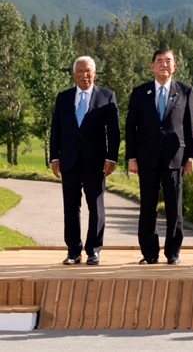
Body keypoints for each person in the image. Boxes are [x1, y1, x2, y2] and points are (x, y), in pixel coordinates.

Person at [126, 49, 193, 265]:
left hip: (175, 158)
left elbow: (191, 126)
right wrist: (131, 157)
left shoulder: (185, 91)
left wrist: (191, 157)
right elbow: (131, 127)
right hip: (146, 158)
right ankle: (149, 253)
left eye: (168, 61)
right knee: (147, 207)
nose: (164, 64)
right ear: (152, 66)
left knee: (174, 208)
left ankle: (173, 252)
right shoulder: (140, 92)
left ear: (174, 66)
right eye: (159, 61)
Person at [50, 56, 120, 265]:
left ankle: (93, 250)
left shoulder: (107, 96)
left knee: (96, 207)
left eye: (88, 71)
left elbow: (114, 132)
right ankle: (73, 251)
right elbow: (56, 130)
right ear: (73, 74)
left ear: (94, 72)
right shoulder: (63, 98)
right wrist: (54, 157)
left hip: (96, 162)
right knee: (71, 208)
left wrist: (111, 157)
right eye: (79, 71)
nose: (84, 75)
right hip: (69, 161)